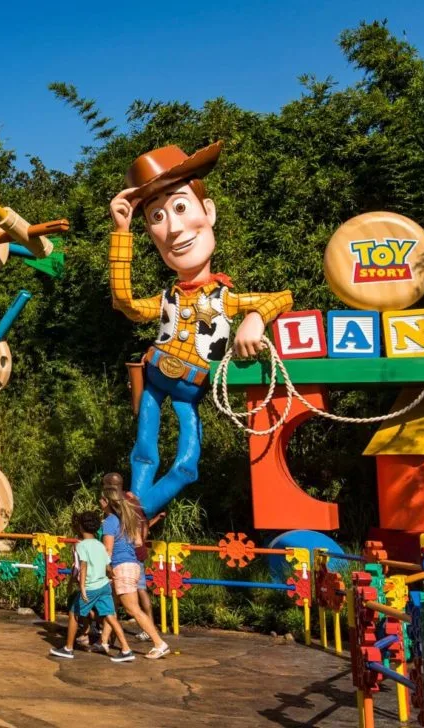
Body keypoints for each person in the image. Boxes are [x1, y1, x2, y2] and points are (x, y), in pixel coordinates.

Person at [109, 142, 293, 517]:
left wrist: (255, 319)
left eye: (180, 207)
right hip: (155, 374)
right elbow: (125, 303)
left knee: (187, 463)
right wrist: (121, 231)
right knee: (144, 450)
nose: (174, 228)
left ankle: (136, 514)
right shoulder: (165, 298)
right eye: (158, 217)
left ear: (208, 211)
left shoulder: (225, 298)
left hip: (190, 387)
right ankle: (135, 512)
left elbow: (281, 297)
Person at [50, 510, 135, 662]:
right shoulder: (101, 545)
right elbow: (108, 566)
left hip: (91, 586)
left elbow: (83, 566)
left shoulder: (81, 546)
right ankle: (126, 649)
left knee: (74, 613)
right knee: (110, 616)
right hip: (104, 585)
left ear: (81, 527)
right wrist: (111, 576)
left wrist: (81, 586)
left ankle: (68, 648)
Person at [97, 486, 170, 659]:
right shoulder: (128, 519)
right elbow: (138, 542)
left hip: (120, 566)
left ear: (106, 502)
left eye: (100, 499)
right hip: (133, 565)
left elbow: (107, 550)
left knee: (133, 610)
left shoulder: (109, 521)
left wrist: (104, 569)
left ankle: (159, 643)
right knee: (111, 606)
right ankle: (104, 642)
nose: (99, 503)